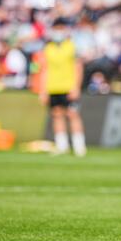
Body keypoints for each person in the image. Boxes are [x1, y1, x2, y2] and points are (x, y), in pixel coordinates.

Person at [39, 18, 87, 157]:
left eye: (61, 28)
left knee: (73, 114)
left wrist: (76, 87)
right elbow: (44, 70)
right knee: (57, 115)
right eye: (56, 28)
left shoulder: (72, 46)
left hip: (68, 86)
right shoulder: (48, 48)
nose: (58, 32)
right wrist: (43, 90)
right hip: (53, 87)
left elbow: (78, 67)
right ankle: (62, 146)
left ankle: (79, 147)